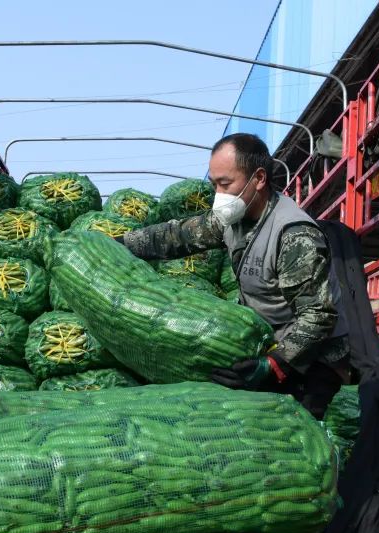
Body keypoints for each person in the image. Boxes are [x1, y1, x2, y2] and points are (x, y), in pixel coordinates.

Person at [122, 133, 349, 418]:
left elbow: (318, 316)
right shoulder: (234, 217)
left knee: (294, 432)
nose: (219, 193)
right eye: (214, 184)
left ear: (259, 179)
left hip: (312, 359)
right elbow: (179, 236)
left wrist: (273, 365)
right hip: (272, 340)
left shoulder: (294, 235)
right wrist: (120, 243)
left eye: (225, 183)